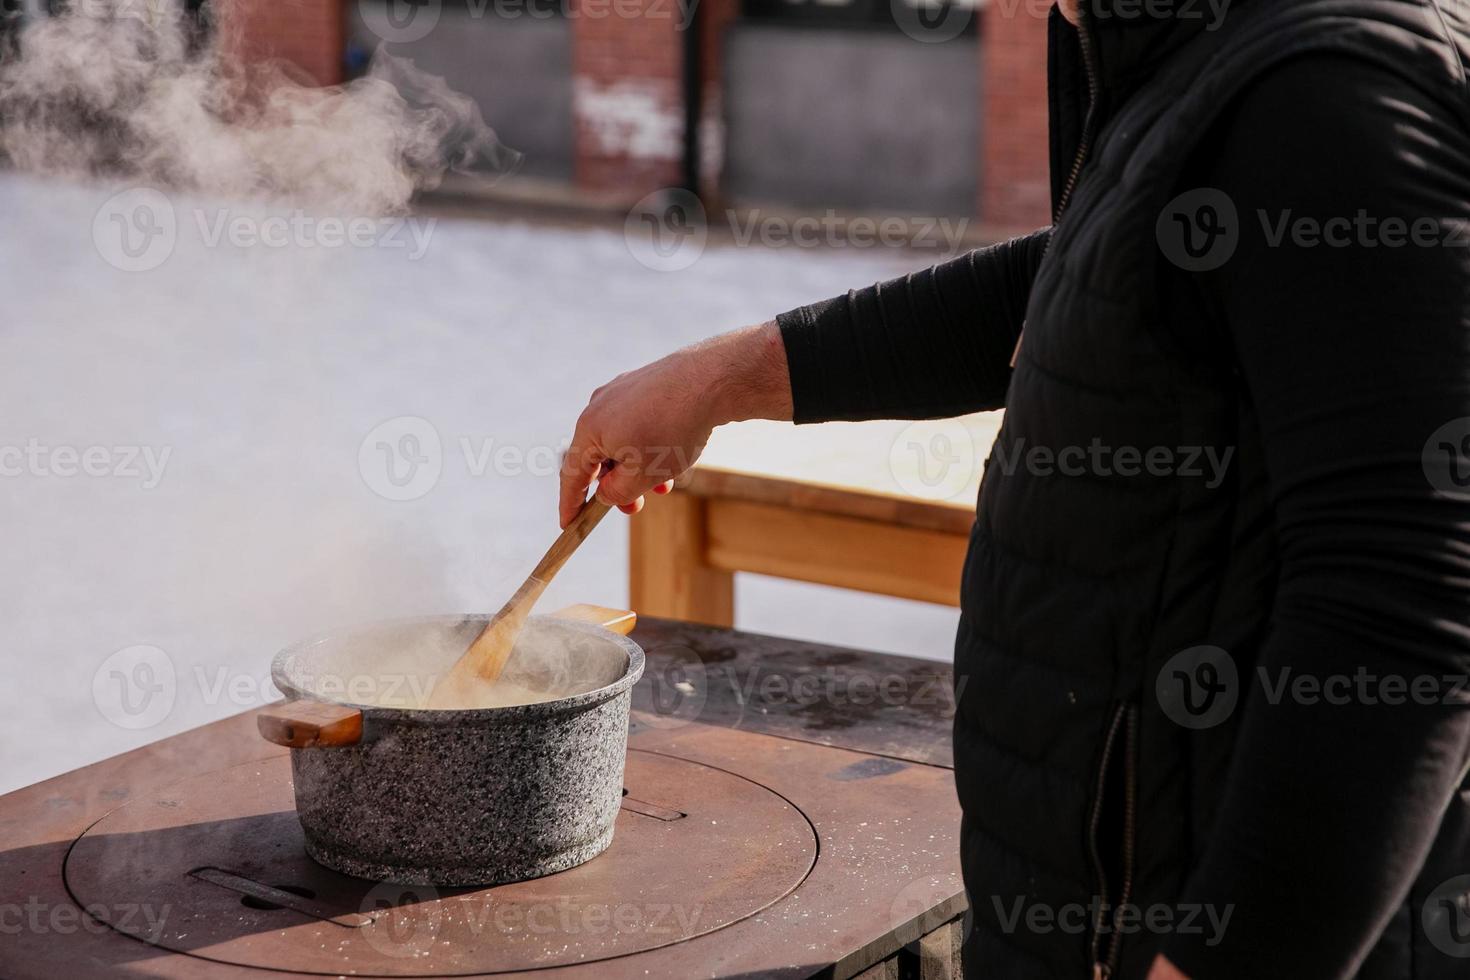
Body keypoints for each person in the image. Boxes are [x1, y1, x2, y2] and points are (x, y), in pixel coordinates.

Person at [558, 1, 1470, 976]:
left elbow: (1407, 600)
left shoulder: (1328, 90)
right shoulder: (1184, 54)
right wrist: (718, 379)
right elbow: (1100, 277)